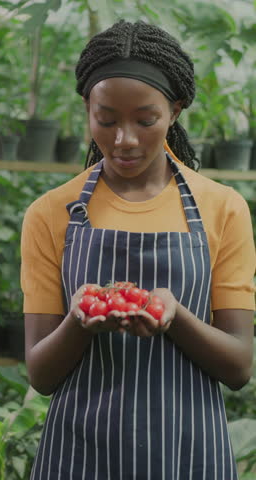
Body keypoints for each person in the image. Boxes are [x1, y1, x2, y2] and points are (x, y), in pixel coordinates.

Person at [21, 20, 255, 480]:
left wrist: (176, 317)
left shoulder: (222, 208)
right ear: (87, 108)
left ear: (175, 110)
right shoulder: (51, 213)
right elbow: (40, 375)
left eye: (145, 120)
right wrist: (79, 320)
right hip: (79, 453)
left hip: (188, 454)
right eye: (105, 120)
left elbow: (239, 366)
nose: (123, 139)